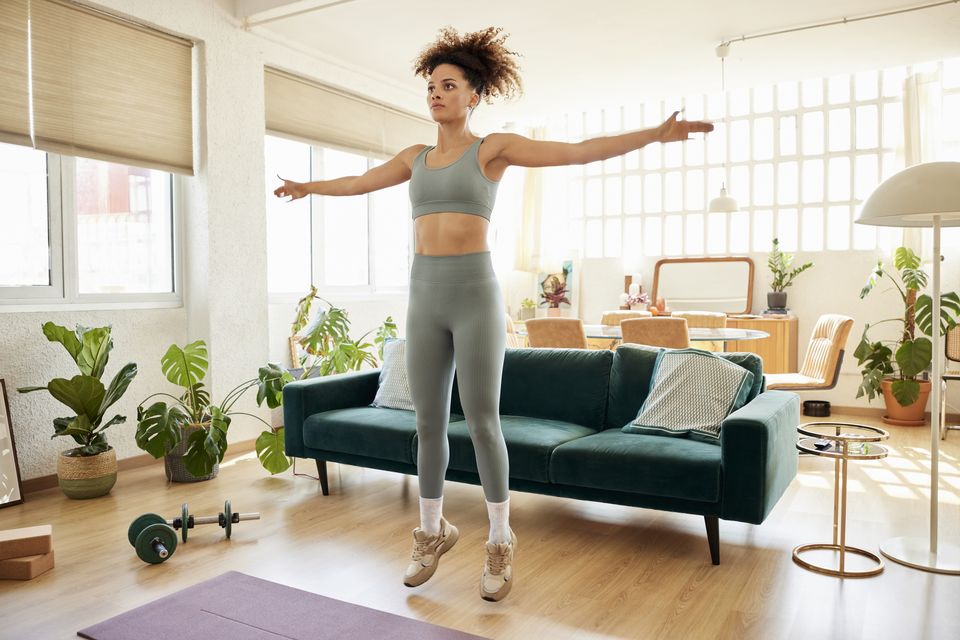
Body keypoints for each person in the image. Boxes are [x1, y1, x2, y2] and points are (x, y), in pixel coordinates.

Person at [274, 26, 713, 602]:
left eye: (448, 85)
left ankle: (501, 538)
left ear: (473, 95)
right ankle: (431, 531)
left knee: (483, 420)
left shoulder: (492, 150)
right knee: (428, 422)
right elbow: (359, 182)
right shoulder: (415, 158)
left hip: (475, 295)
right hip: (424, 296)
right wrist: (307, 186)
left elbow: (577, 151)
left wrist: (654, 135)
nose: (436, 94)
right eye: (431, 86)